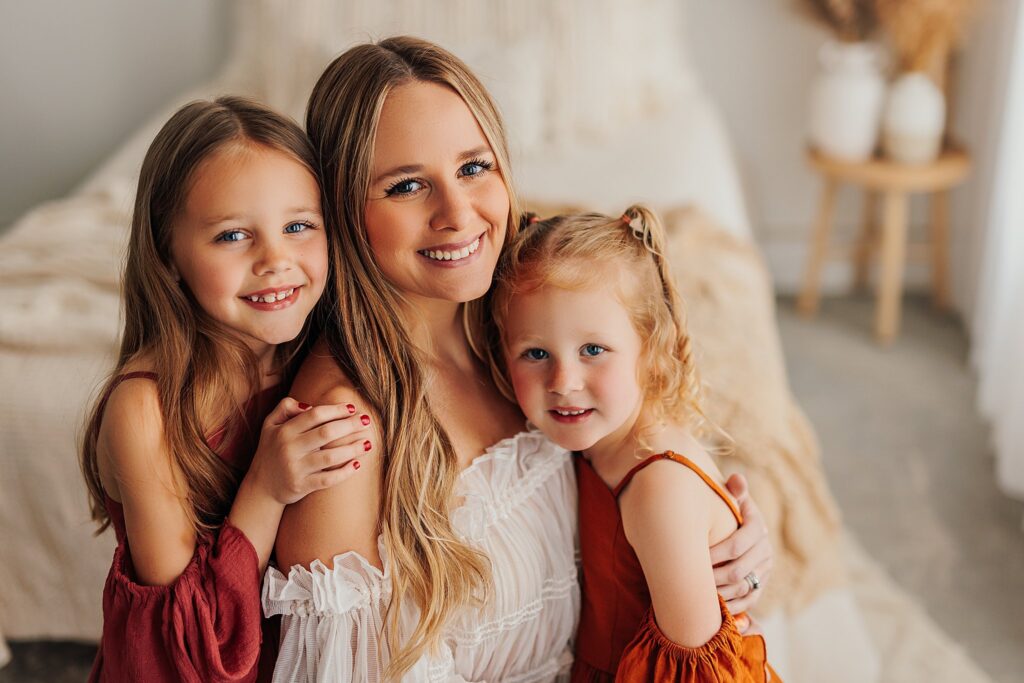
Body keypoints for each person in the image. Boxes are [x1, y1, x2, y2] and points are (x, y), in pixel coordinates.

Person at [264, 37, 773, 682]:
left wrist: (724, 540)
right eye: (408, 185)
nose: (458, 214)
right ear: (342, 209)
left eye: (474, 168)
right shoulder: (344, 430)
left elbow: (639, 446)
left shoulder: (521, 331)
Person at [80, 96, 372, 682]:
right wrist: (265, 488)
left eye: (298, 226)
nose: (276, 260)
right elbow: (184, 654)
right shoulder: (144, 411)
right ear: (168, 253)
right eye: (233, 235)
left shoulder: (315, 346)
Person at [491, 206, 781, 682]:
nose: (563, 382)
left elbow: (697, 672)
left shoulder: (657, 488)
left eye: (593, 350)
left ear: (651, 348)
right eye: (536, 353)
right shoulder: (600, 443)